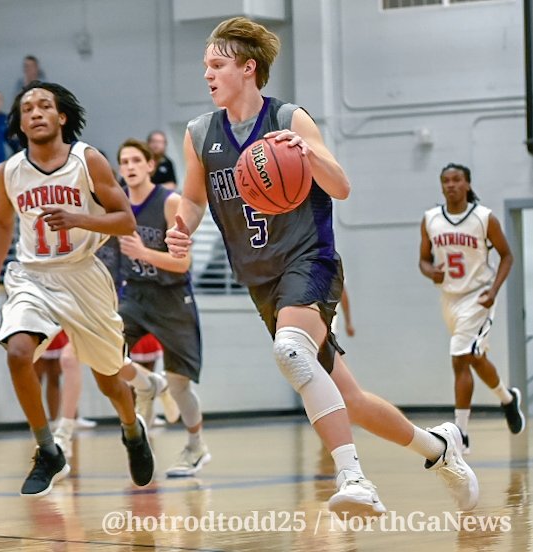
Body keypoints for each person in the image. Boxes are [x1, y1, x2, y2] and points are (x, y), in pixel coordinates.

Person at [165, 17, 479, 514]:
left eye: (217, 65)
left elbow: (341, 186)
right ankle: (439, 449)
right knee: (348, 398)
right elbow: (192, 198)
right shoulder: (200, 133)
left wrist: (307, 152)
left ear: (248, 69)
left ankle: (354, 479)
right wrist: (182, 225)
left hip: (309, 258)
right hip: (261, 279)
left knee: (291, 352)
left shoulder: (289, 119)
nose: (208, 74)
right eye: (206, 65)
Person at [0, 80, 154, 496]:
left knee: (110, 380)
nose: (35, 113)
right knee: (19, 353)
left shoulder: (87, 160)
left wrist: (79, 220)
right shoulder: (8, 172)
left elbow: (126, 221)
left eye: (44, 106)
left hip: (82, 275)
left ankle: (132, 429)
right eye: (27, 109)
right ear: (20, 123)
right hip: (33, 275)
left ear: (62, 117)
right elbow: (3, 225)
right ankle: (48, 449)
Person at [115, 138, 207, 477]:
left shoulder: (171, 203)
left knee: (180, 384)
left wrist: (144, 254)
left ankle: (196, 447)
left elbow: (183, 264)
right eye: (124, 161)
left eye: (136, 160)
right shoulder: (117, 203)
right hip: (136, 295)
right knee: (105, 351)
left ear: (151, 165)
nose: (130, 166)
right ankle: (146, 384)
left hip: (172, 298)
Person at [419, 162, 525, 452]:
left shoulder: (483, 218)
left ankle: (461, 434)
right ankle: (506, 398)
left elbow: (506, 256)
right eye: (446, 181)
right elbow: (423, 260)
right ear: (442, 186)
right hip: (449, 298)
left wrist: (493, 292)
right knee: (475, 358)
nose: (451, 185)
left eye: (456, 180)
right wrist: (431, 273)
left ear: (467, 184)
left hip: (478, 296)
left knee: (459, 357)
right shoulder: (430, 219)